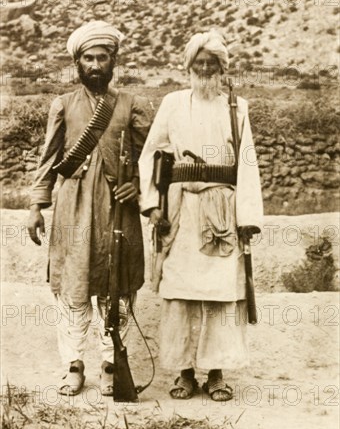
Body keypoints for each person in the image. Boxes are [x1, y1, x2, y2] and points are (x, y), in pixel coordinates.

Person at [27, 20, 153, 396]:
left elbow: (155, 156)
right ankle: (74, 365)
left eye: (103, 57)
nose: (96, 65)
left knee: (118, 288)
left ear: (114, 61)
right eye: (88, 58)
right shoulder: (62, 105)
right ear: (77, 62)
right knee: (73, 287)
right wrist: (36, 205)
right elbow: (48, 159)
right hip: (73, 207)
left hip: (118, 210)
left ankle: (111, 363)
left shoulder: (132, 104)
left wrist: (140, 186)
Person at [138, 30, 263, 401]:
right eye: (199, 62)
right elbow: (152, 154)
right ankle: (184, 373)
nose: (205, 68)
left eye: (212, 63)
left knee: (222, 293)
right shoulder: (173, 103)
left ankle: (217, 373)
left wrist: (247, 219)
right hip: (181, 212)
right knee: (180, 293)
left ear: (223, 68)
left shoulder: (236, 108)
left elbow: (247, 163)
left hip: (222, 212)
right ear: (189, 66)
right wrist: (153, 206)